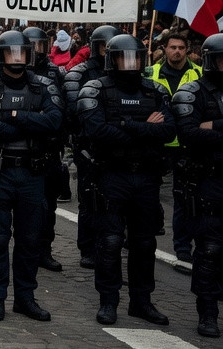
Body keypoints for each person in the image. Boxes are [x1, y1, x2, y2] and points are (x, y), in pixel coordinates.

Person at [76, 34, 175, 326]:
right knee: (109, 241)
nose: (130, 64)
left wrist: (123, 125)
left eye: (135, 58)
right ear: (112, 59)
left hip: (146, 175)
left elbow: (168, 130)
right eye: (124, 58)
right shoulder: (96, 89)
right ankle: (108, 301)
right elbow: (96, 131)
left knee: (144, 243)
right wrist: (143, 127)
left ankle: (141, 301)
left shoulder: (155, 90)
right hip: (111, 174)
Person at [0, 31, 62, 322]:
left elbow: (54, 121)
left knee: (30, 239)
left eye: (22, 52)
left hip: (32, 170)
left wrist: (14, 117)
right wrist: (30, 123)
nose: (17, 58)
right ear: (1, 55)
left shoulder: (43, 85)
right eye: (12, 52)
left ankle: (25, 297)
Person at [174, 33, 223, 337]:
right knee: (209, 249)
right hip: (207, 180)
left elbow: (204, 131)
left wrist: (215, 125)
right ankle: (207, 313)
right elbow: (189, 133)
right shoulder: (192, 92)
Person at [64, 24, 118, 270]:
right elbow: (76, 113)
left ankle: (110, 245)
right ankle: (87, 247)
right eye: (105, 46)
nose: (109, 50)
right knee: (89, 199)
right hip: (89, 145)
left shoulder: (126, 74)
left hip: (118, 146)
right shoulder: (80, 74)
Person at [149, 30, 202, 269]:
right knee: (148, 193)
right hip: (156, 143)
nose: (177, 52)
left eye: (181, 48)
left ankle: (182, 247)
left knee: (184, 196)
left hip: (185, 144)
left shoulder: (199, 74)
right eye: (173, 47)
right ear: (165, 49)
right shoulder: (150, 73)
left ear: (187, 50)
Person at [23, 25, 69, 273]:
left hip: (49, 145)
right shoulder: (14, 72)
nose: (35, 51)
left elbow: (61, 109)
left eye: (39, 45)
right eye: (30, 46)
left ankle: (44, 249)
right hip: (22, 146)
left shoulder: (55, 73)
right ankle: (25, 249)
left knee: (48, 205)